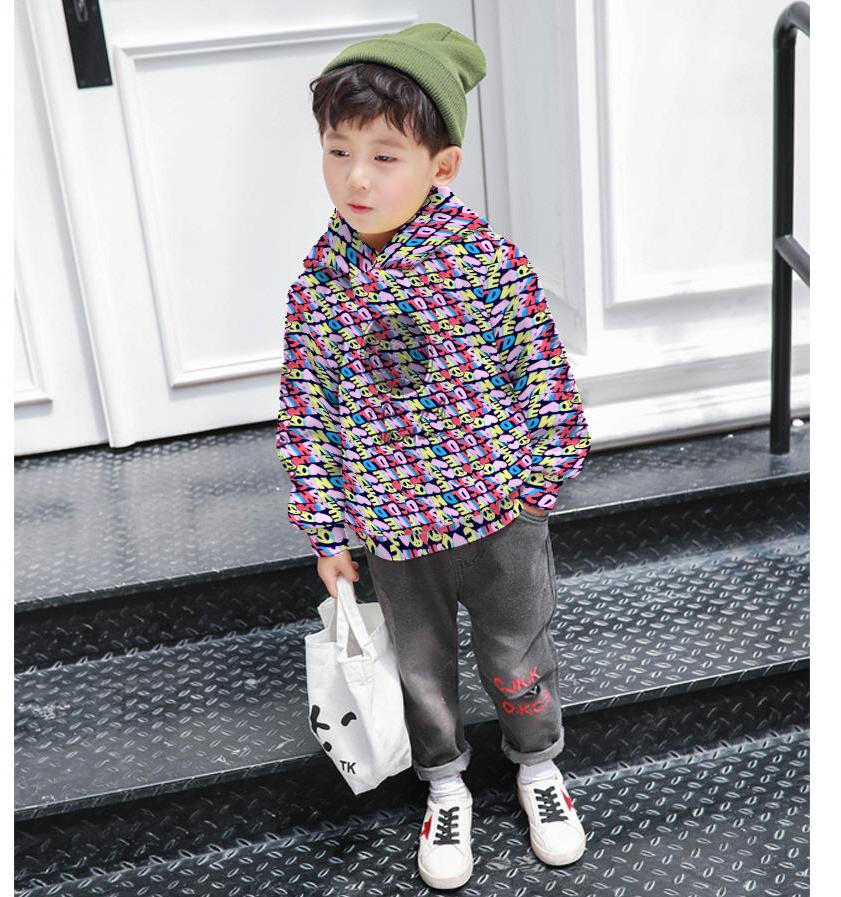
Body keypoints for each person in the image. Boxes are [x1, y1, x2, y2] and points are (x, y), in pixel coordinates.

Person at [275, 22, 591, 890]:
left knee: (518, 657)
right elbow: (308, 413)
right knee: (420, 669)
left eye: (384, 157)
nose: (357, 178)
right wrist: (327, 527)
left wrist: (535, 485)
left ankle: (538, 766)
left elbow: (541, 378)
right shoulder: (319, 290)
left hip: (498, 517)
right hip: (394, 531)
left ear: (440, 166)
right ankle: (444, 783)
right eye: (338, 152)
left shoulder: (487, 267)